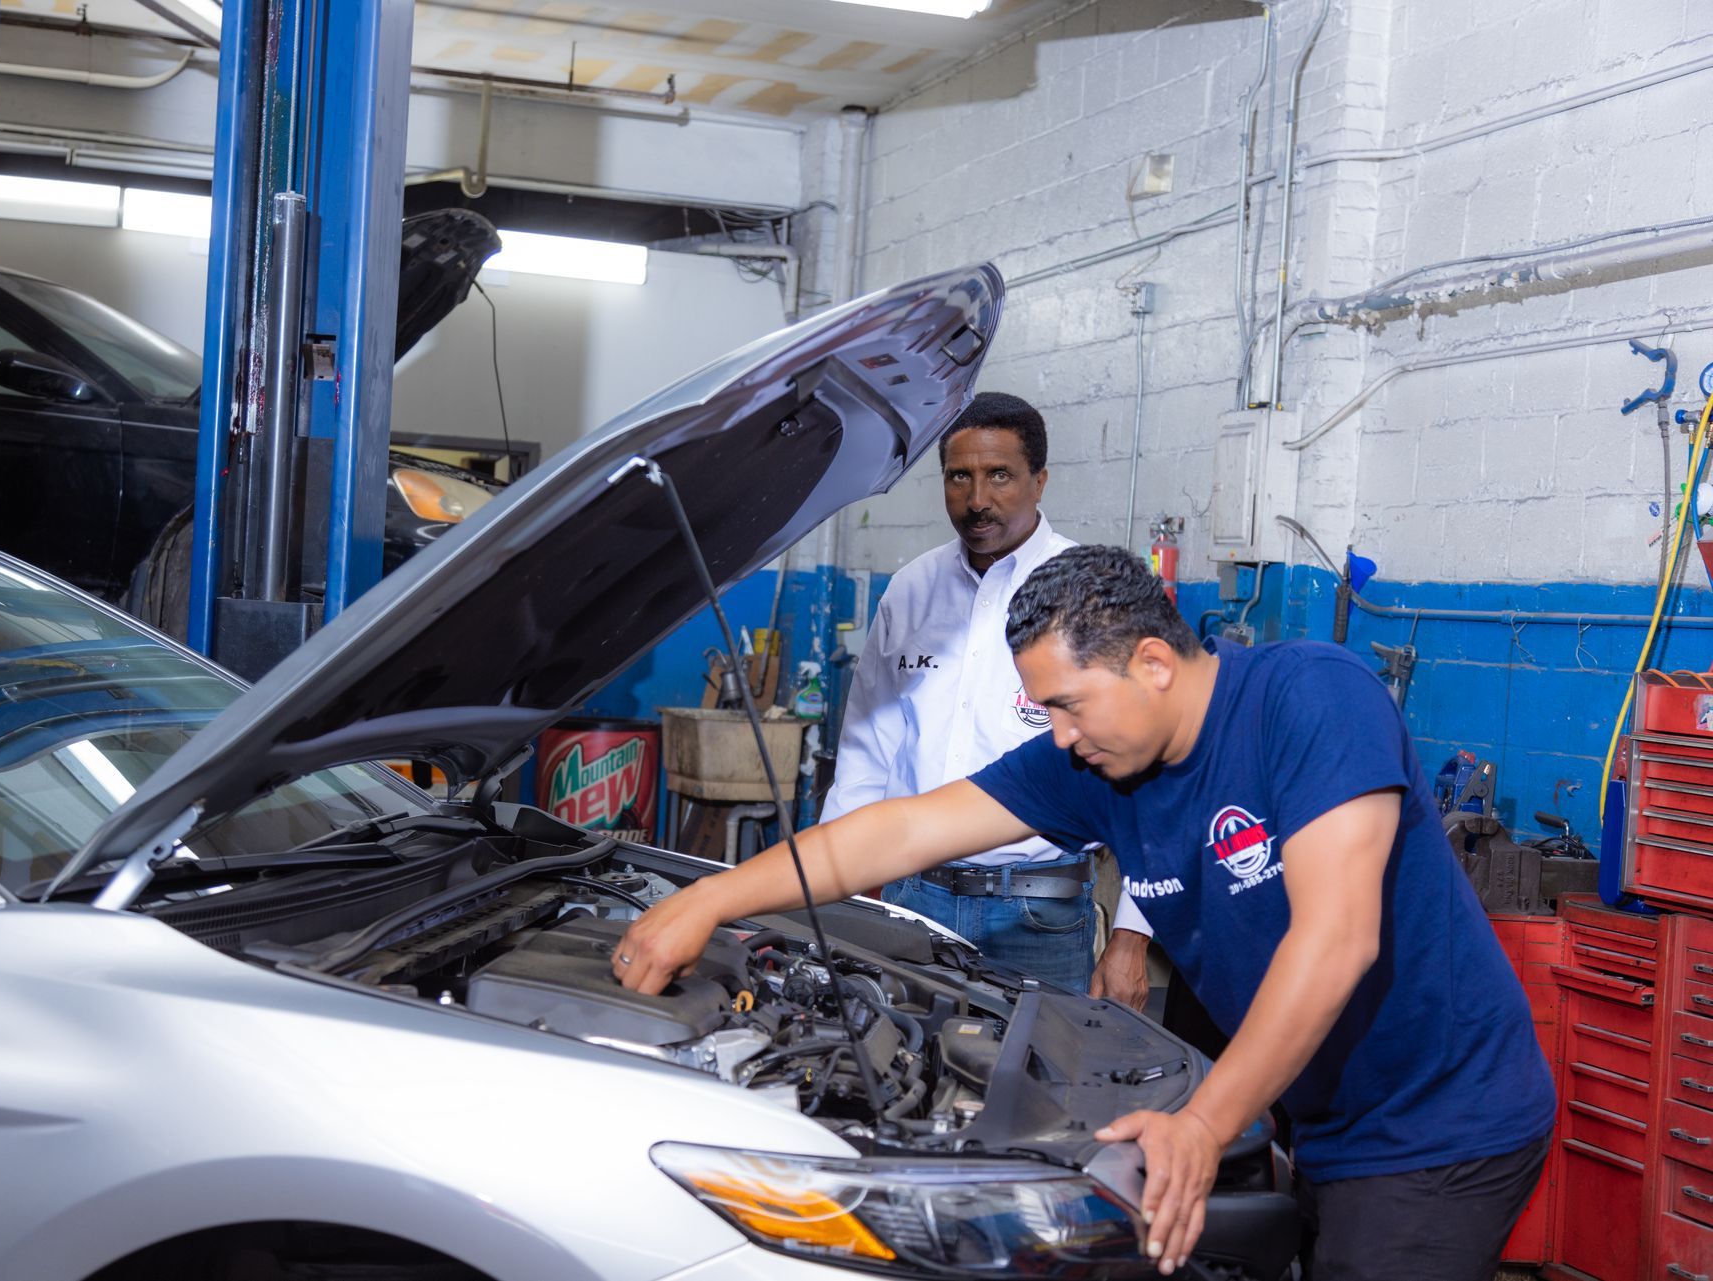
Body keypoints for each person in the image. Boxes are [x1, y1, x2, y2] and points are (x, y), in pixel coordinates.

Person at [612, 545, 1554, 1281]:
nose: (1057, 736)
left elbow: (1337, 937)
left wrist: (1203, 1120)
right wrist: (713, 895)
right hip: (1321, 1110)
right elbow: (897, 833)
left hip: (1443, 1119)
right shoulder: (1097, 763)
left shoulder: (1310, 697)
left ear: (1151, 661)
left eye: (1066, 704)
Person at [822, 390, 1150, 996]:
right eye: (959, 477)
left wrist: (1132, 938)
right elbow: (867, 755)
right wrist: (837, 892)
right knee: (895, 1069)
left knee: (1035, 1083)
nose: (977, 500)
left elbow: (1149, 780)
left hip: (1038, 915)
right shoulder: (910, 590)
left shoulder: (1091, 591)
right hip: (910, 898)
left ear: (1039, 480)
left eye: (1000, 475)